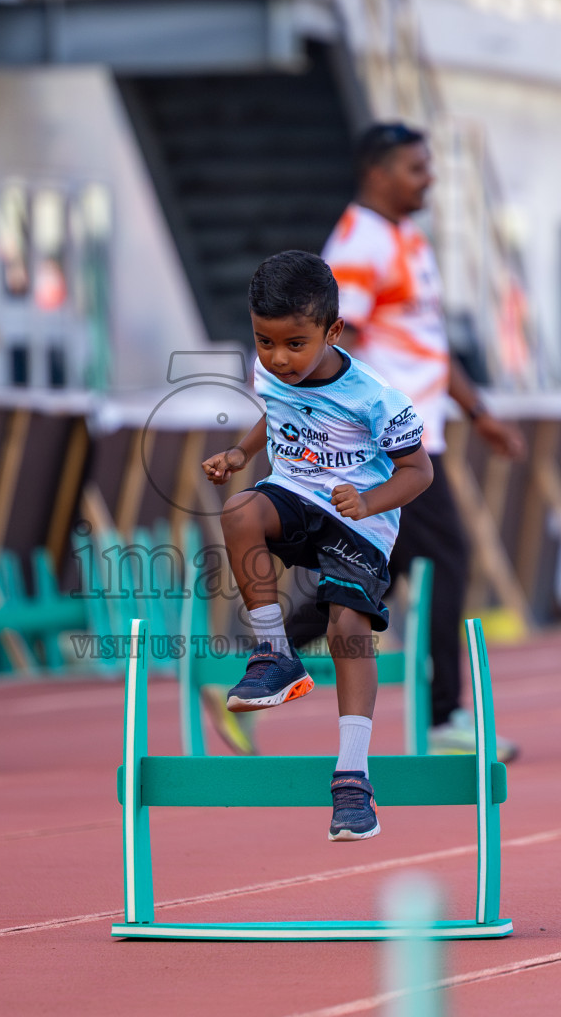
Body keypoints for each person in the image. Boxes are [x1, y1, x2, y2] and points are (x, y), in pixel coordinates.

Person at [201, 250, 432, 841]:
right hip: (296, 493)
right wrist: (241, 454)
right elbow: (278, 414)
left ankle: (352, 778)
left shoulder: (377, 397)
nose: (278, 359)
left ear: (333, 331)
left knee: (347, 629)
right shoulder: (272, 371)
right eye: (264, 341)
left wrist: (369, 500)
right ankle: (275, 655)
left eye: (295, 345)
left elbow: (419, 472)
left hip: (359, 523)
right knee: (240, 510)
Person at [321, 121, 527, 758]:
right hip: (389, 443)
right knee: (444, 562)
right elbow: (334, 345)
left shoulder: (408, 241)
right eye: (417, 168)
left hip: (417, 435)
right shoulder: (358, 246)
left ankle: (257, 669)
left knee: (376, 571)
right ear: (378, 173)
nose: (429, 177)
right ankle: (445, 721)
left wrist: (480, 411)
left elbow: (429, 346)